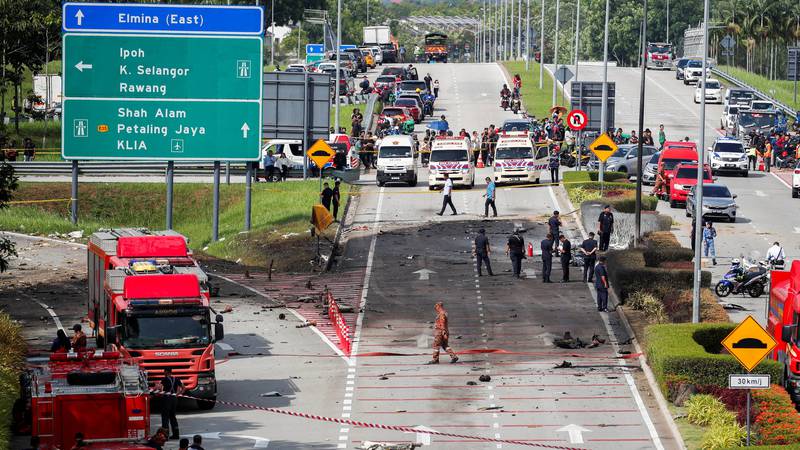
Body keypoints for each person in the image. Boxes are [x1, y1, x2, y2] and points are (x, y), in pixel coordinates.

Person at [156, 369, 183, 439]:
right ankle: (176, 434)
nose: (163, 373)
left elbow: (160, 389)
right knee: (173, 417)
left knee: (165, 417)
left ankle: (165, 435)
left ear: (167, 372)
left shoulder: (164, 380)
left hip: (167, 399)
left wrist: (157, 388)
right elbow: (184, 388)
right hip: (174, 399)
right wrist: (178, 394)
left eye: (164, 372)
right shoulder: (176, 379)